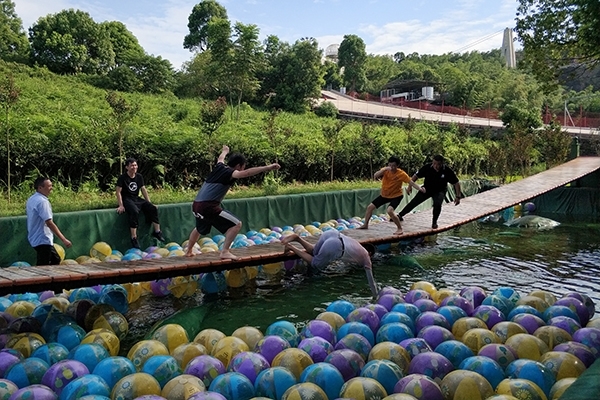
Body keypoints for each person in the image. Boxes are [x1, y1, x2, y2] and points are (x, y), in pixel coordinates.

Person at [185, 145, 280, 260]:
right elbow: (245, 174)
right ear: (239, 166)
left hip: (196, 205)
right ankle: (225, 251)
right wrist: (268, 167)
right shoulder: (230, 172)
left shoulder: (219, 166)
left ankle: (189, 251)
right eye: (243, 167)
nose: (243, 169)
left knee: (199, 228)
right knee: (236, 224)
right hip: (208, 206)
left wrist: (225, 151)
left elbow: (220, 158)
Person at [281, 230, 378, 297]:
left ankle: (297, 238)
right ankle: (291, 247)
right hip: (336, 245)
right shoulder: (366, 257)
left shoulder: (357, 245)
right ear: (370, 253)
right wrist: (376, 296)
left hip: (332, 233)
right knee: (316, 264)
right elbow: (371, 282)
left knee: (314, 251)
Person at [358, 156, 426, 235]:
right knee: (370, 207)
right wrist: (384, 169)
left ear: (397, 166)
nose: (392, 168)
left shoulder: (401, 174)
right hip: (384, 195)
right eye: (390, 165)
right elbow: (375, 175)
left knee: (390, 211)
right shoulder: (385, 170)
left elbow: (411, 183)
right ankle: (365, 224)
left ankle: (399, 228)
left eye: (394, 166)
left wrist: (420, 189)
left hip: (396, 196)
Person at [397, 154, 462, 229]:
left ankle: (434, 222)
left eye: (438, 164)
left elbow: (456, 183)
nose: (436, 166)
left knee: (437, 204)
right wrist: (409, 186)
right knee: (414, 201)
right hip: (427, 189)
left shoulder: (447, 171)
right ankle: (400, 215)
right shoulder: (427, 167)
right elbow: (416, 176)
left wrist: (458, 196)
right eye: (434, 163)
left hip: (439, 191)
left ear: (442, 163)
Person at [116, 157, 165, 249]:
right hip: (127, 199)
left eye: (135, 165)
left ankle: (157, 232)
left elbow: (143, 190)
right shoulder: (122, 178)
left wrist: (149, 203)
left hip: (136, 198)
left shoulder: (139, 177)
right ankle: (134, 237)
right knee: (134, 211)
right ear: (127, 167)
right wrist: (121, 205)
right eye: (132, 166)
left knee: (152, 208)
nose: (134, 167)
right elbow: (118, 191)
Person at [26, 177, 72, 265]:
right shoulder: (42, 202)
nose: (51, 188)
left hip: (35, 237)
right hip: (43, 238)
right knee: (44, 266)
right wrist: (64, 239)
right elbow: (49, 223)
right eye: (49, 186)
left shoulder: (32, 199)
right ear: (40, 188)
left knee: (55, 260)